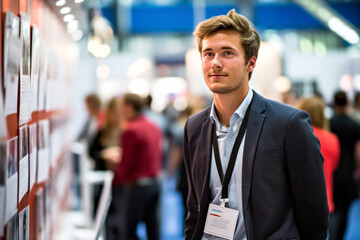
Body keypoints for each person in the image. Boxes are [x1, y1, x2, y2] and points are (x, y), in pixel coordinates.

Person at [182, 9, 329, 240]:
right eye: (208, 53)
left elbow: (314, 215)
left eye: (227, 53)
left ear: (251, 63)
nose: (215, 63)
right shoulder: (194, 127)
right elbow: (194, 209)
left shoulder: (289, 124)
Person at [113, 93, 163, 240]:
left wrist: (114, 181)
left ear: (129, 107)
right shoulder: (153, 126)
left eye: (121, 106)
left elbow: (126, 165)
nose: (119, 111)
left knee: (128, 230)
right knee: (153, 229)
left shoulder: (130, 130)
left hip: (137, 187)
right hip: (155, 184)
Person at [297, 96, 340, 239]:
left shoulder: (295, 135)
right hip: (325, 199)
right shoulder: (332, 138)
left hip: (298, 200)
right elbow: (334, 166)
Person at [330, 90, 360, 240]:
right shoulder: (354, 125)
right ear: (347, 103)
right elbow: (358, 151)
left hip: (331, 171)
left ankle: (333, 234)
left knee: (332, 208)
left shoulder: (329, 124)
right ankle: (340, 235)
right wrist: (357, 170)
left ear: (334, 103)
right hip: (348, 171)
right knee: (345, 208)